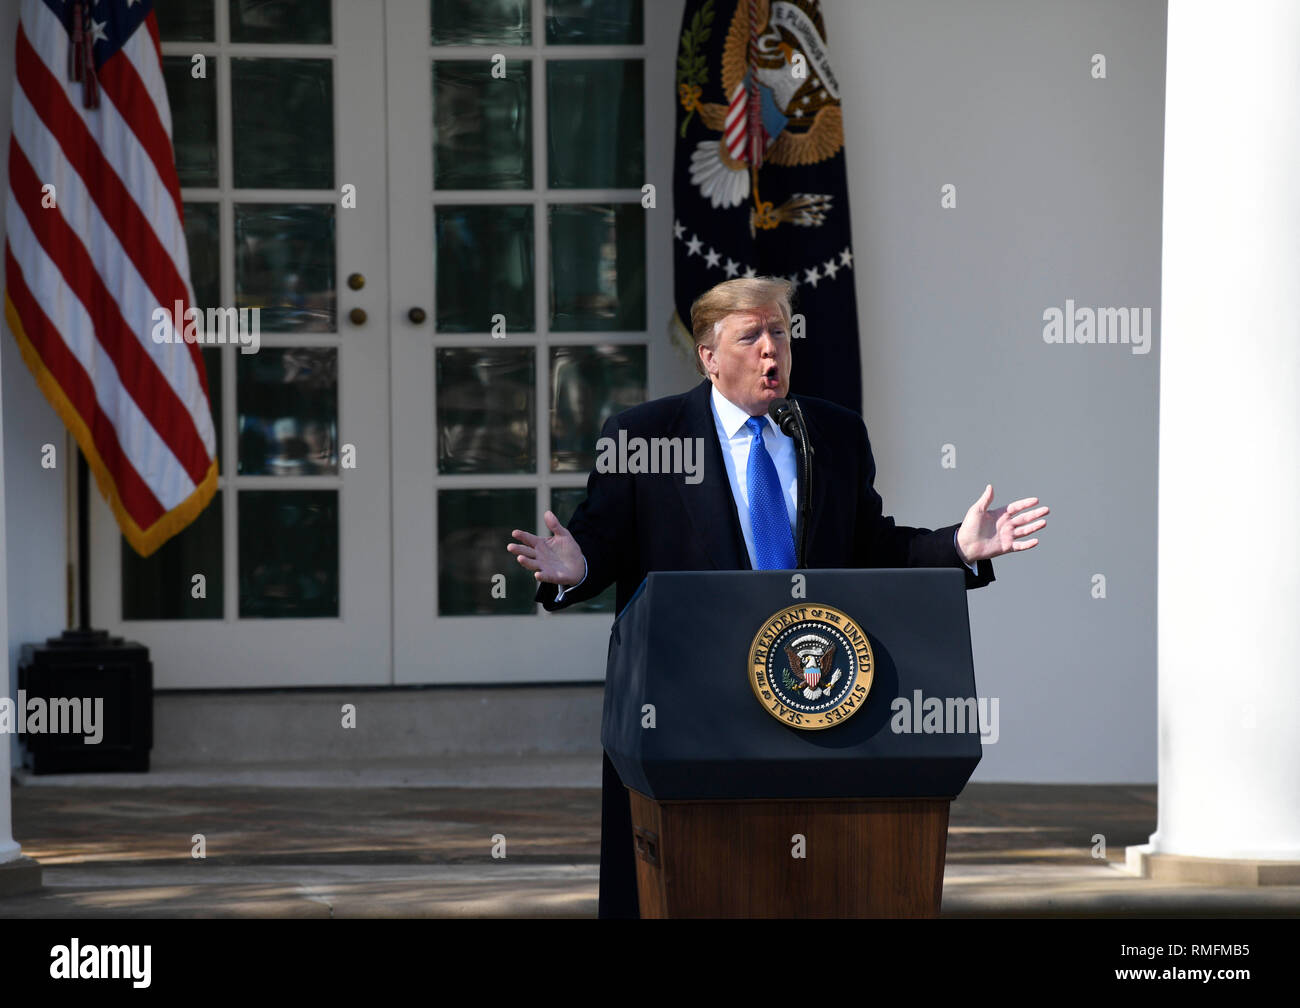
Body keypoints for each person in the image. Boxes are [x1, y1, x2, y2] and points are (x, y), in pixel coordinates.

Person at [507, 276, 1049, 917]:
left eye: (780, 334)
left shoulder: (833, 434)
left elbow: (870, 548)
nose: (772, 350)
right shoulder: (646, 436)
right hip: (690, 717)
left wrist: (957, 548)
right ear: (709, 356)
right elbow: (602, 541)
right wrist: (576, 566)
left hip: (813, 705)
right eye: (751, 336)